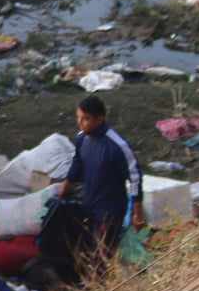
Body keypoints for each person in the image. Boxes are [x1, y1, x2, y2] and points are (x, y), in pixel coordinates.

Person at [44, 94, 143, 280]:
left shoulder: (116, 146)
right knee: (85, 246)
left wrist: (138, 212)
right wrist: (65, 187)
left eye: (86, 119)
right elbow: (77, 164)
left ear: (100, 118)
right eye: (79, 118)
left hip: (110, 209)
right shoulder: (82, 139)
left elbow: (136, 176)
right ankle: (91, 284)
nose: (81, 123)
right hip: (89, 203)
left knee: (102, 253)